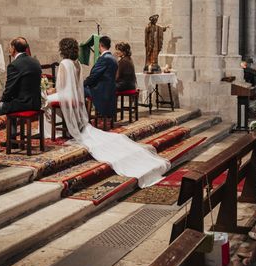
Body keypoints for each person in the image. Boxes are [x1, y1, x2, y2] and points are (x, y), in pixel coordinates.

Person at [46, 38, 169, 187]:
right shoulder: (76, 63)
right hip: (76, 97)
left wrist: (52, 90)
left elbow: (62, 85)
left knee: (46, 100)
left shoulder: (65, 63)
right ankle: (67, 125)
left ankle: (54, 131)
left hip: (67, 95)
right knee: (49, 99)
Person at [0, 37, 42, 149]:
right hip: (35, 103)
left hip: (23, 104)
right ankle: (13, 141)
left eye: (10, 46)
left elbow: (9, 89)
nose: (9, 49)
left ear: (14, 48)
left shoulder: (15, 65)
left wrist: (2, 101)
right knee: (11, 103)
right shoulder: (35, 62)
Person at [84, 36, 118, 117]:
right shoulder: (113, 58)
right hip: (110, 90)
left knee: (80, 89)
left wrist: (83, 83)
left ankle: (83, 117)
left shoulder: (104, 58)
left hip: (101, 91)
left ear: (100, 45)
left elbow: (93, 76)